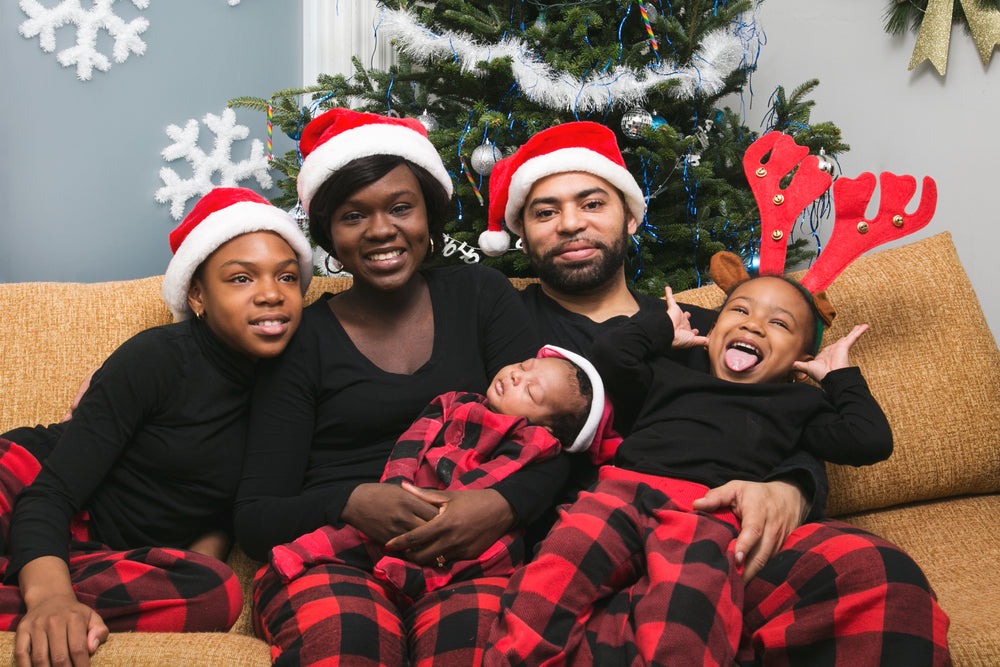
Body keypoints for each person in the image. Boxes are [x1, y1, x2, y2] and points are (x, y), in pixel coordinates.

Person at [482, 121, 951, 665]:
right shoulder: (505, 321)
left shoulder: (717, 330)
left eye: (591, 203)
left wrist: (790, 491)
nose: (570, 224)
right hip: (586, 533)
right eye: (545, 212)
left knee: (876, 572)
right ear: (521, 230)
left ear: (630, 217)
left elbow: (778, 420)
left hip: (711, 527)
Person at [233, 107, 567, 666]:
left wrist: (499, 506)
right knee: (347, 645)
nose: (381, 230)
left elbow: (553, 440)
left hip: (470, 557)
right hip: (335, 561)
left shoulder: (481, 295)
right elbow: (255, 515)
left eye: (401, 208)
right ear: (328, 237)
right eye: (352, 216)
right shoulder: (303, 340)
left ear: (429, 218)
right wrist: (349, 501)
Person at [489, 272, 894, 665]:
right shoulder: (670, 372)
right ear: (713, 331)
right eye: (739, 312)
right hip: (620, 493)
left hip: (707, 515)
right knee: (556, 574)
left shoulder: (798, 404)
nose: (753, 326)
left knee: (685, 618)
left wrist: (838, 375)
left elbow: (868, 440)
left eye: (778, 323)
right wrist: (665, 328)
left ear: (799, 360)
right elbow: (611, 354)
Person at [0, 187, 312, 667]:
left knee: (217, 593)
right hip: (30, 483)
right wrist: (49, 601)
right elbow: (50, 494)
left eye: (287, 277)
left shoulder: (298, 382)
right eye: (241, 278)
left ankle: (28, 578)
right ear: (197, 294)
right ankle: (43, 589)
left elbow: (222, 511)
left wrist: (196, 561)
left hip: (98, 553)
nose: (270, 293)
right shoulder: (157, 359)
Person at [265, 344, 613, 602]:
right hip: (412, 494)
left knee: (499, 553)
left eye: (531, 391)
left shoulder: (534, 441)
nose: (516, 375)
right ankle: (299, 554)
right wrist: (397, 485)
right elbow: (412, 442)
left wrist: (449, 509)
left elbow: (493, 478)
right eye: (524, 365)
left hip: (463, 520)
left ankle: (412, 578)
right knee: (357, 533)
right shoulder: (455, 401)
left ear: (550, 429)